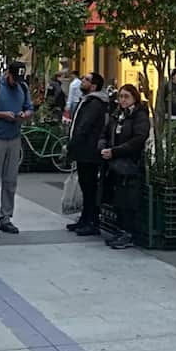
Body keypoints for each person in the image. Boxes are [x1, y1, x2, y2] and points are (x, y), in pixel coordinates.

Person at [0, 62, 32, 235]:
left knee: (10, 180)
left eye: (19, 79)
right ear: (7, 73)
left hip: (14, 137)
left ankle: (6, 218)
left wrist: (25, 114)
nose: (16, 82)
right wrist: (3, 115)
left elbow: (29, 108)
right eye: (14, 78)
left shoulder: (23, 87)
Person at [101, 84, 149, 250]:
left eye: (126, 96)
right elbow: (106, 133)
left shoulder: (139, 115)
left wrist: (116, 151)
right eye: (121, 96)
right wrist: (104, 147)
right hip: (115, 163)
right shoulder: (118, 114)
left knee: (129, 200)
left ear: (134, 97)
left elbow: (138, 139)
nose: (123, 100)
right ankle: (121, 231)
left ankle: (129, 234)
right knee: (118, 200)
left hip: (130, 163)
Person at [66, 73, 109, 237]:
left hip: (89, 151)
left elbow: (84, 126)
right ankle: (85, 219)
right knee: (85, 186)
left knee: (89, 187)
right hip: (84, 150)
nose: (82, 81)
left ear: (94, 86)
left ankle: (92, 222)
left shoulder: (95, 103)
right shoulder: (88, 101)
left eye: (86, 80)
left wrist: (72, 144)